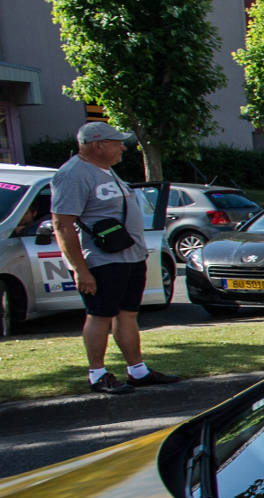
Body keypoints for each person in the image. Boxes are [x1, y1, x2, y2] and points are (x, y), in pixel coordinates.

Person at [50, 121, 177, 395]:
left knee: (127, 314)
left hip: (131, 258)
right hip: (103, 261)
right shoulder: (72, 174)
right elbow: (62, 224)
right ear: (98, 145)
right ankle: (97, 374)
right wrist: (80, 269)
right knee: (100, 315)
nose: (122, 147)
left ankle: (137, 371)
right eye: (116, 142)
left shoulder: (108, 172)